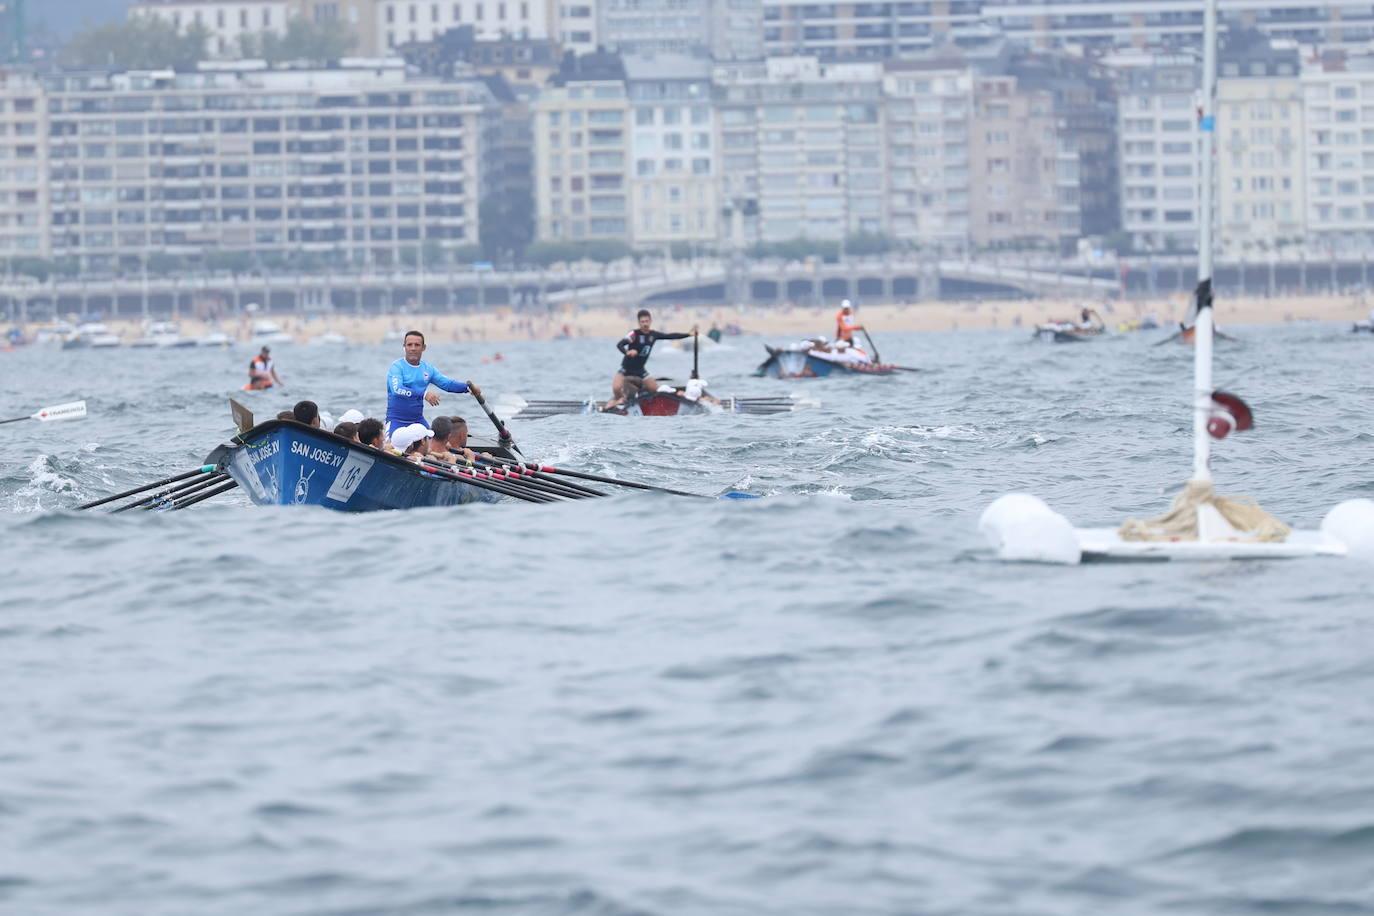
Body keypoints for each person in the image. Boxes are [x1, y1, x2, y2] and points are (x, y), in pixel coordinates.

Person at [386, 330, 481, 437]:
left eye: (417, 345)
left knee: (435, 446)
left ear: (423, 348)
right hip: (396, 421)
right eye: (409, 345)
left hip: (417, 421)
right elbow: (397, 390)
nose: (413, 348)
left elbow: (447, 384)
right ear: (404, 347)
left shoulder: (428, 369)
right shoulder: (397, 367)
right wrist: (424, 394)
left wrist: (468, 388)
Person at [607, 309, 695, 408]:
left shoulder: (653, 335)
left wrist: (688, 334)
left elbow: (670, 336)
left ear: (650, 321)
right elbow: (620, 345)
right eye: (642, 322)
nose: (645, 324)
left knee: (655, 389)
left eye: (647, 321)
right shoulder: (634, 334)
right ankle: (618, 402)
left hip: (640, 370)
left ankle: (644, 398)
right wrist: (627, 352)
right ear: (639, 322)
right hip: (626, 369)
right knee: (616, 388)